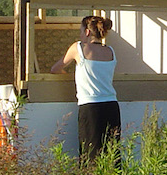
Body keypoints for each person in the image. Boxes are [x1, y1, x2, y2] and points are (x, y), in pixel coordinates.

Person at [51, 15, 120, 163]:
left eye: (81, 31)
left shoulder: (79, 48)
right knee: (111, 152)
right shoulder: (110, 51)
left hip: (91, 107)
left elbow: (55, 69)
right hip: (111, 106)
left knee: (90, 151)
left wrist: (71, 76)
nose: (80, 35)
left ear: (87, 32)